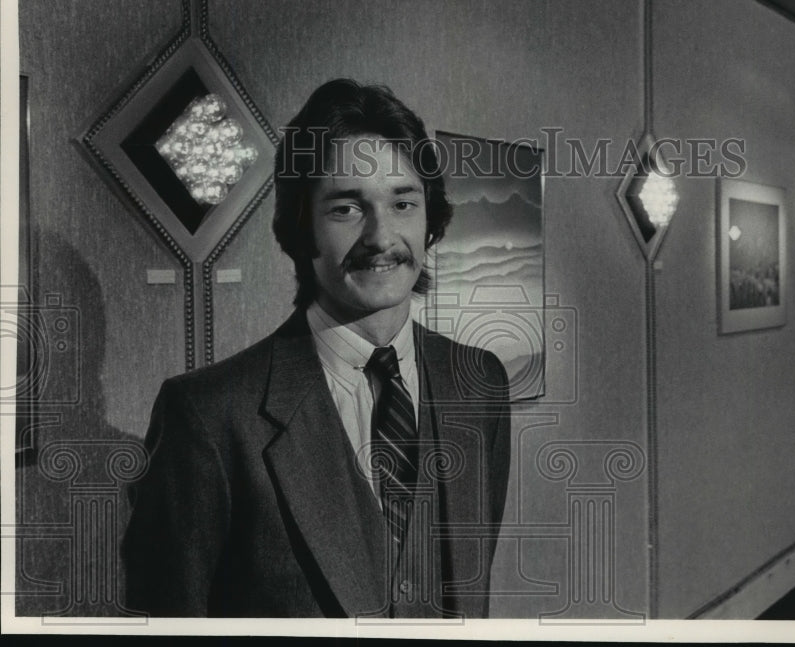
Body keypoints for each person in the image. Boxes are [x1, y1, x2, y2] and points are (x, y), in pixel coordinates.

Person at [122, 79, 512, 618]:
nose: (381, 235)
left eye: (403, 202)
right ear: (301, 229)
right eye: (347, 208)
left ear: (430, 223)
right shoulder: (208, 418)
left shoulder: (480, 381)